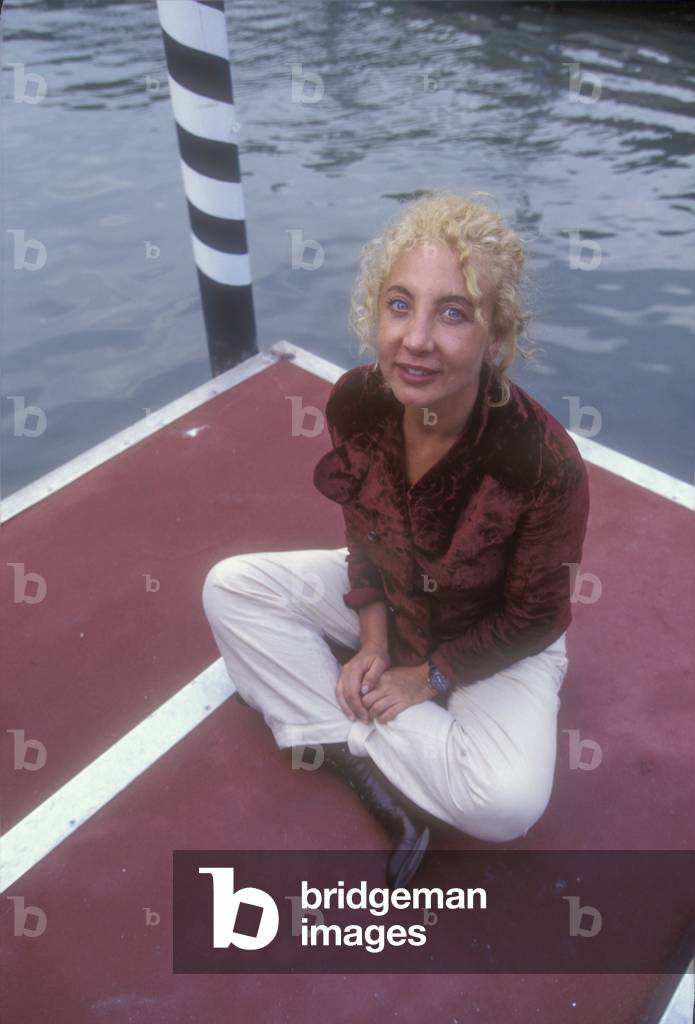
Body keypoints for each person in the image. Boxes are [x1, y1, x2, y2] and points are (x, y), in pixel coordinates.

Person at [202, 191, 590, 890]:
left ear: (496, 337)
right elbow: (364, 530)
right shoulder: (358, 401)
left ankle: (317, 721)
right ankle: (364, 761)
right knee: (230, 586)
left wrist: (428, 677)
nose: (415, 340)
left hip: (495, 638)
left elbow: (535, 616)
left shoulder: (541, 462)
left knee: (506, 806)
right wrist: (375, 641)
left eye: (453, 313)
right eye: (399, 304)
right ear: (375, 315)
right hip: (397, 599)